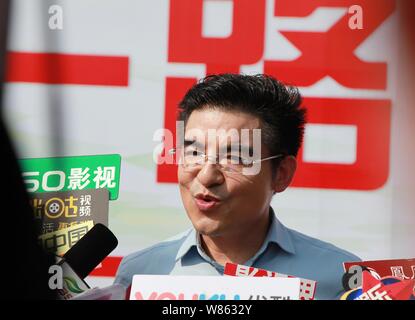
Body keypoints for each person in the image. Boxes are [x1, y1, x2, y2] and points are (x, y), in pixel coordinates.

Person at [114, 73, 360, 299]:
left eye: (234, 157)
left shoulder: (341, 279)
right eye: (194, 152)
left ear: (282, 174)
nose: (208, 176)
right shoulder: (140, 275)